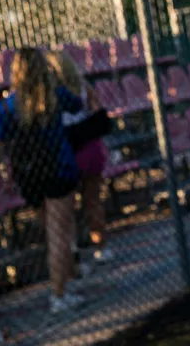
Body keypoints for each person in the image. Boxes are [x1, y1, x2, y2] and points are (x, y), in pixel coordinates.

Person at [0, 48, 85, 313]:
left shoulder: (9, 104)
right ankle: (58, 295)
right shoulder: (53, 95)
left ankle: (66, 281)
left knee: (53, 232)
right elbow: (78, 103)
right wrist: (58, 77)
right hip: (58, 170)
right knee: (60, 233)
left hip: (29, 175)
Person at [46, 50, 115, 265]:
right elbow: (98, 112)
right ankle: (101, 247)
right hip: (91, 149)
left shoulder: (52, 93)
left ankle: (74, 254)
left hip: (68, 151)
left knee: (67, 208)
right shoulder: (84, 87)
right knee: (93, 201)